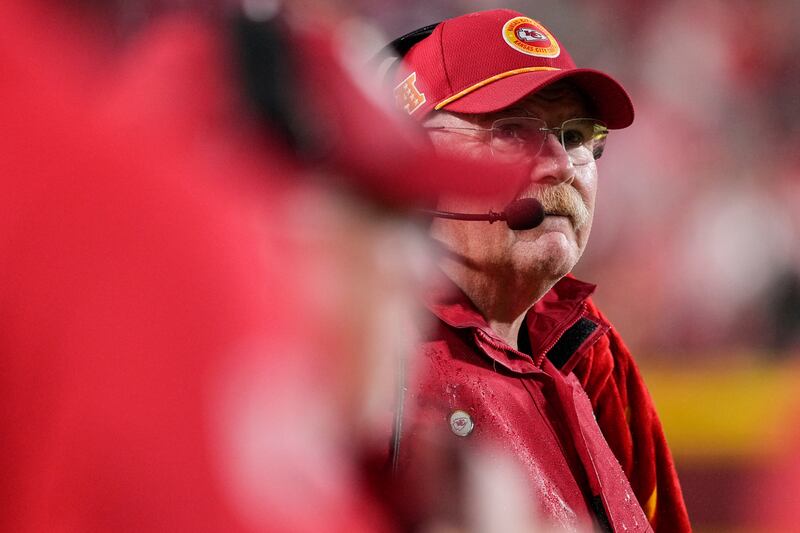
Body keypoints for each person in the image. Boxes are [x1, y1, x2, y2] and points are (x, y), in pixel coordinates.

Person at [380, 9, 691, 532]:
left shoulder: (595, 355)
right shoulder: (365, 359)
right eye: (514, 132)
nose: (563, 165)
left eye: (576, 136)